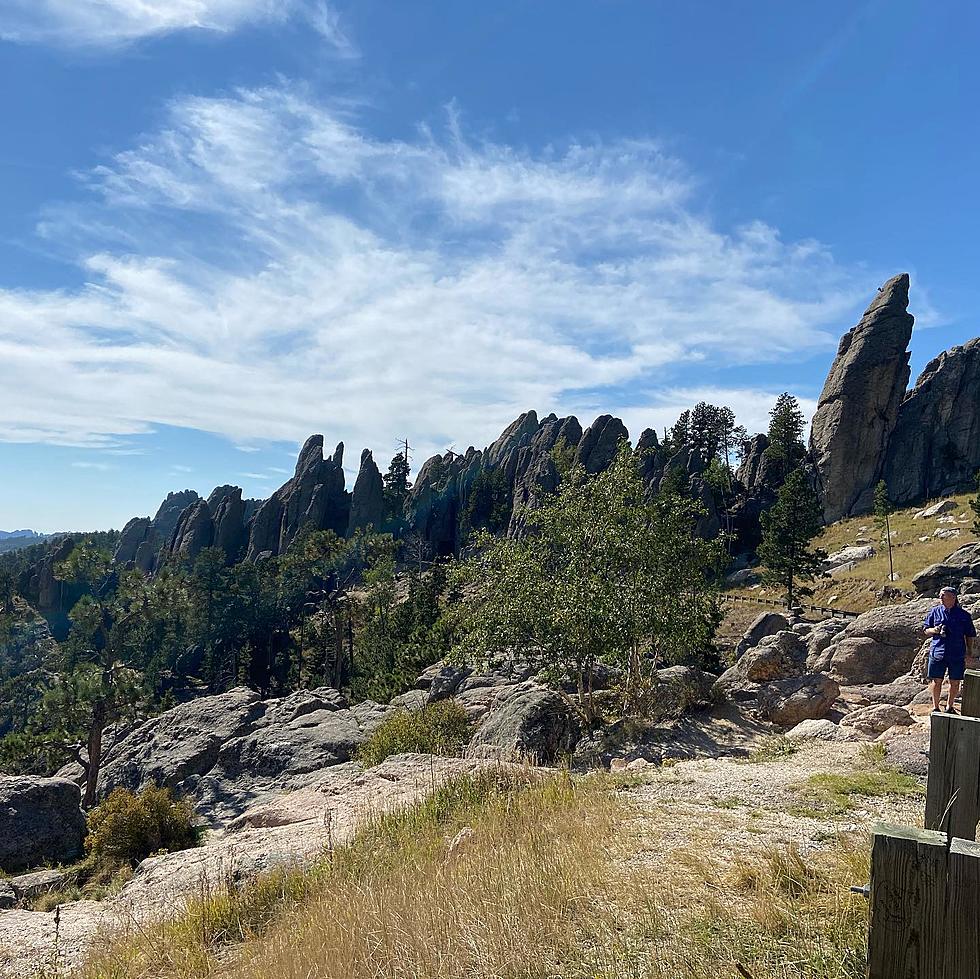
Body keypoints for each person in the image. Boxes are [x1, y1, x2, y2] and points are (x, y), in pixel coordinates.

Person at [924, 586, 977, 713]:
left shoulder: (964, 615)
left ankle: (950, 706)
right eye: (940, 595)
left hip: (957, 653)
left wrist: (969, 652)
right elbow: (926, 629)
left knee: (955, 681)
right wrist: (935, 630)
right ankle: (935, 707)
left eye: (944, 595)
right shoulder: (935, 611)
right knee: (936, 680)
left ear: (953, 598)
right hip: (938, 652)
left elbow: (970, 634)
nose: (941, 598)